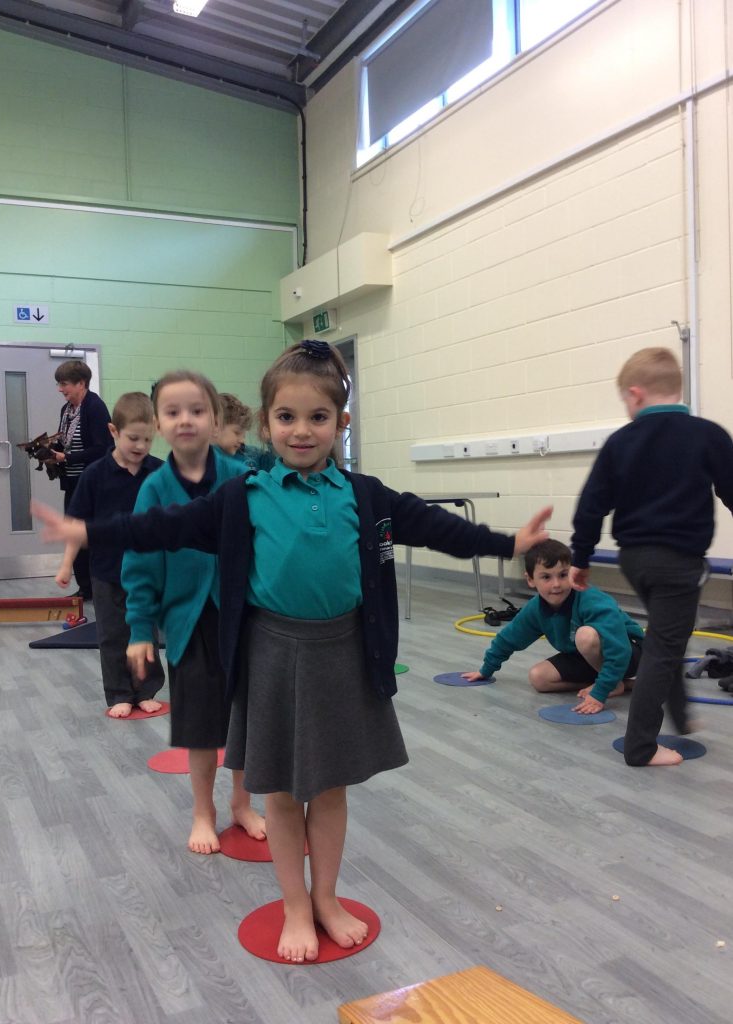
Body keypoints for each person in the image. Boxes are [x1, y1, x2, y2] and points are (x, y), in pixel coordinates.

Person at [32, 339, 551, 963]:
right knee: (280, 792)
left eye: (318, 417)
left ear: (342, 422)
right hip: (272, 656)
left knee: (329, 789)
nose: (301, 431)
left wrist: (505, 543)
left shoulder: (366, 496)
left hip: (343, 655)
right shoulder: (243, 496)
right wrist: (91, 529)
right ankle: (295, 905)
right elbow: (163, 526)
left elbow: (435, 526)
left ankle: (325, 897)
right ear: (266, 421)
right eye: (286, 417)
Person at [120, 370, 265, 853]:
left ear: (215, 420)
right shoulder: (154, 489)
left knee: (245, 718)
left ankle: (242, 802)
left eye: (197, 410)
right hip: (190, 623)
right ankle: (204, 811)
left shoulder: (243, 479)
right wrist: (140, 628)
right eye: (173, 412)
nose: (186, 420)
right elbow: (140, 562)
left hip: (243, 618)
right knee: (201, 725)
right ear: (159, 425)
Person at [569, 346, 733, 765]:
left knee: (665, 636)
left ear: (636, 394)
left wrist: (581, 558)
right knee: (665, 646)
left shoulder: (620, 442)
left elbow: (590, 507)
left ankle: (681, 715)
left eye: (624, 400)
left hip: (634, 561)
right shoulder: (709, 435)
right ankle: (641, 746)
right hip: (679, 562)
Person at [54, 392, 165, 718]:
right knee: (113, 634)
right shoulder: (95, 474)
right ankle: (119, 692)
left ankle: (146, 690)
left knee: (145, 632)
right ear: (114, 431)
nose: (140, 446)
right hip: (106, 570)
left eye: (147, 439)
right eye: (133, 438)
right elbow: (76, 524)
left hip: (145, 572)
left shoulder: (158, 473)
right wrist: (65, 565)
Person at [462, 539, 643, 713]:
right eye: (546, 577)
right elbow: (508, 639)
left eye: (563, 575)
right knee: (538, 678)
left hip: (630, 652)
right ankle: (617, 683)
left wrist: (600, 694)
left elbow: (619, 650)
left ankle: (610, 684)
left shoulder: (591, 599)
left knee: (585, 636)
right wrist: (486, 670)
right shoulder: (535, 608)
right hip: (586, 657)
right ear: (530, 579)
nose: (556, 584)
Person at [53, 359, 111, 600]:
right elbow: (64, 442)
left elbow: (103, 449)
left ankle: (97, 587)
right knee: (73, 534)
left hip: (92, 485)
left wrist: (66, 457)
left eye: (64, 384)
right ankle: (85, 588)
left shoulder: (95, 408)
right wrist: (48, 451)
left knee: (90, 536)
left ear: (81, 383)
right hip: (72, 482)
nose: (60, 389)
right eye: (59, 384)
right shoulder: (66, 410)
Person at [217, 392, 275, 471]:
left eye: (243, 435)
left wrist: (270, 441)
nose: (242, 440)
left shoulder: (253, 456)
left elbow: (276, 468)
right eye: (237, 433)